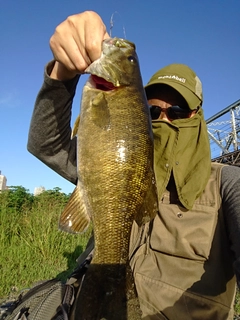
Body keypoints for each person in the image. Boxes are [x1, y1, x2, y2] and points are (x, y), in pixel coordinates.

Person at [27, 10, 240, 320]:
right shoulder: (112, 159)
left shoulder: (228, 184)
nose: (164, 119)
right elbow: (44, 144)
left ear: (197, 117)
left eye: (178, 111)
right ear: (138, 108)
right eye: (153, 112)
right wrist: (63, 73)